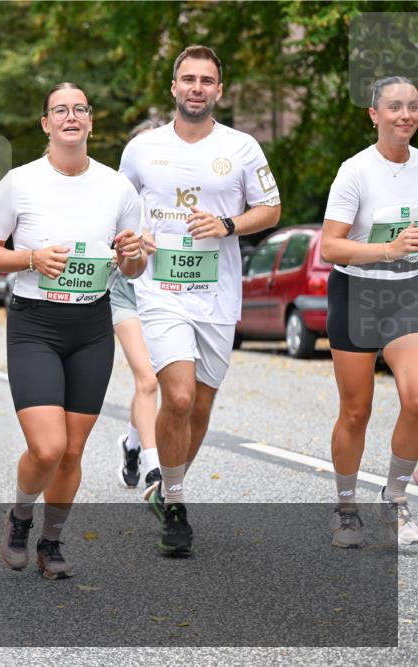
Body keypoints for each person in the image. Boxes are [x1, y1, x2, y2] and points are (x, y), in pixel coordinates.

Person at [0, 82, 145, 579]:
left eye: (80, 109)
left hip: (91, 325)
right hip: (35, 324)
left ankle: (52, 541)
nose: (71, 116)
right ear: (46, 124)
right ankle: (20, 517)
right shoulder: (19, 182)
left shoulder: (118, 188)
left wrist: (132, 257)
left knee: (73, 449)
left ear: (90, 122)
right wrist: (30, 257)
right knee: (47, 446)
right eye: (59, 110)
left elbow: (132, 270)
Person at [119, 45, 281, 556]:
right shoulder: (143, 148)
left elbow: (271, 208)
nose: (195, 87)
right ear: (173, 87)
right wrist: (132, 237)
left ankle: (161, 479)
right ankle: (177, 505)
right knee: (181, 397)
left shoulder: (243, 147)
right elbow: (120, 209)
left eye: (205, 80)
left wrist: (228, 223)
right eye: (187, 78)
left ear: (219, 90)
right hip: (160, 291)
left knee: (202, 406)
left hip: (217, 292)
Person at [319, 75, 418, 547]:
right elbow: (329, 247)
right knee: (356, 411)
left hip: (407, 295)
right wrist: (388, 250)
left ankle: (395, 500)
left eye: (413, 107)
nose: (406, 115)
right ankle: (344, 508)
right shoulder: (355, 170)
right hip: (358, 294)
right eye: (395, 107)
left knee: (416, 396)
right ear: (374, 115)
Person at [111, 118, 163, 499]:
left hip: (165, 294)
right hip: (126, 290)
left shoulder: (177, 194)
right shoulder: (116, 195)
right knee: (147, 379)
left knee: (155, 379)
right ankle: (152, 466)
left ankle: (131, 444)